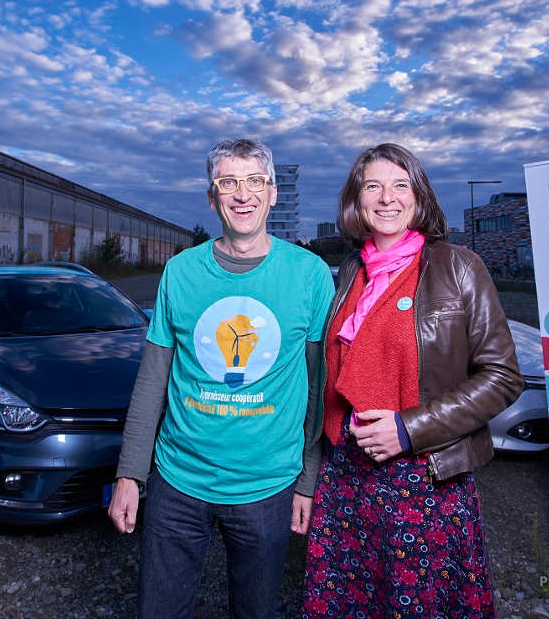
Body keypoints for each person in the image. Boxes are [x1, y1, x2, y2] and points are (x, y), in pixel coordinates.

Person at [109, 138, 335, 619]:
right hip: (177, 482)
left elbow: (318, 391)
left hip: (268, 486)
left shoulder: (310, 275)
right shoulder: (180, 272)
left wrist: (307, 481)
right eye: (228, 182)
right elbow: (152, 381)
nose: (242, 194)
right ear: (212, 197)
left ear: (273, 192)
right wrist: (130, 473)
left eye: (255, 181)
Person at [301, 143, 523, 619]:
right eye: (373, 186)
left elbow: (503, 376)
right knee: (350, 602)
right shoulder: (350, 271)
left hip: (423, 478)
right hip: (347, 476)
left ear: (419, 198)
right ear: (356, 201)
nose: (387, 198)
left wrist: (408, 428)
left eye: (401, 185)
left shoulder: (458, 267)